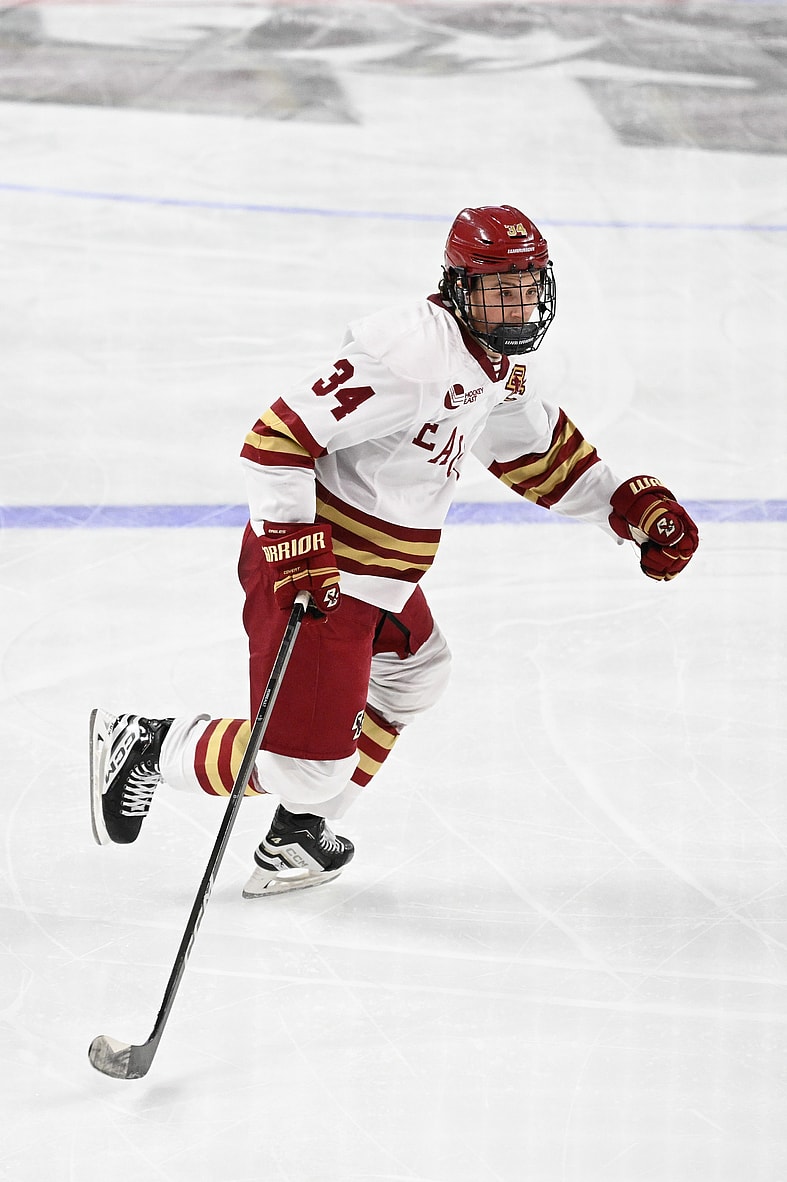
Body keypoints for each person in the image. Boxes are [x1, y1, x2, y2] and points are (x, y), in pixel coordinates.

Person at [89, 204, 699, 897]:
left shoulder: (492, 360)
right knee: (301, 767)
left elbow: (530, 444)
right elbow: (275, 438)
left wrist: (625, 507)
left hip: (375, 577)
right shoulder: (410, 360)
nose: (516, 307)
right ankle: (149, 744)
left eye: (527, 287)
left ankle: (297, 836)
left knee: (417, 674)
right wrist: (296, 550)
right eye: (500, 290)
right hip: (323, 577)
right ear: (460, 287)